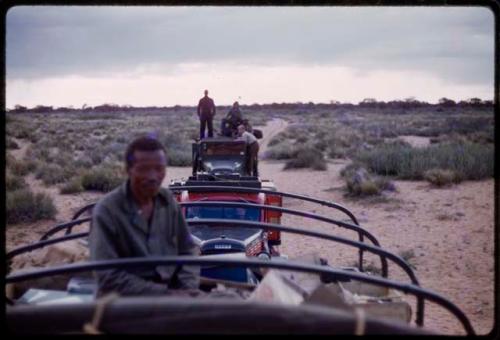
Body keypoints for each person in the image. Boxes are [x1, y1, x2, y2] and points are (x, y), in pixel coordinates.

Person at [89, 136, 200, 297]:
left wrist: (187, 289)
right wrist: (166, 295)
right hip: (126, 305)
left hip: (174, 298)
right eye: (144, 169)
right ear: (128, 170)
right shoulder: (107, 211)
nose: (153, 176)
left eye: (159, 168)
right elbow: (107, 276)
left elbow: (187, 250)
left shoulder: (168, 201)